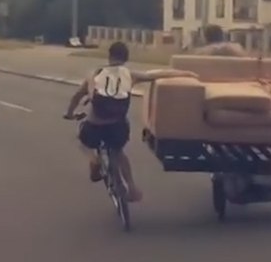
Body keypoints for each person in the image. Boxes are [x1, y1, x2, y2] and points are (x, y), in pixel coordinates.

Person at [63, 41, 196, 203]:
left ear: (109, 56)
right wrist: (186, 73)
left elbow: (77, 96)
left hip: (95, 126)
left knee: (81, 140)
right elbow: (157, 74)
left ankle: (94, 160)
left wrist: (69, 113)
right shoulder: (130, 75)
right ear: (126, 58)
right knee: (118, 152)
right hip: (117, 126)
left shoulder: (95, 74)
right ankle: (132, 187)